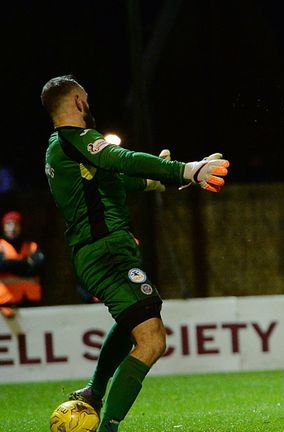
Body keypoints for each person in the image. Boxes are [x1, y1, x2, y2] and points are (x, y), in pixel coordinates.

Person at [41, 75, 229, 432]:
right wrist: (187, 169)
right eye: (86, 98)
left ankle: (95, 393)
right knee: (152, 339)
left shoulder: (59, 147)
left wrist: (161, 178)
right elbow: (119, 159)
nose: (88, 105)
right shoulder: (75, 139)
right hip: (106, 253)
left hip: (102, 253)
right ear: (78, 102)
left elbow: (112, 179)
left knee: (136, 322)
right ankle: (107, 426)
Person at [0, 211, 44, 318]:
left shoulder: (32, 246)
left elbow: (37, 267)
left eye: (16, 224)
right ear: (3, 227)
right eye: (8, 224)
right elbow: (2, 266)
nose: (12, 228)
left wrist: (10, 266)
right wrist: (25, 263)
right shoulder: (1, 246)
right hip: (6, 303)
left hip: (31, 301)